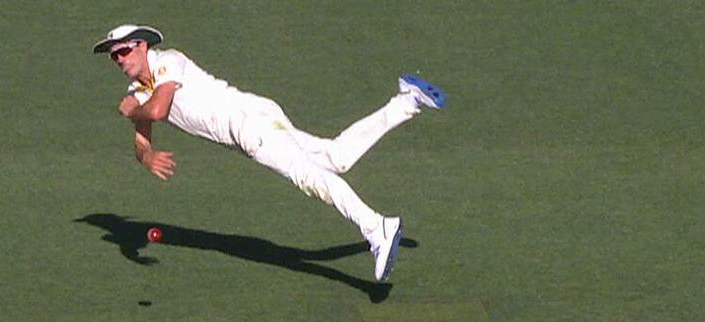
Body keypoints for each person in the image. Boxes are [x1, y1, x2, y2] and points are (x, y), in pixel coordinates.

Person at [92, 23, 445, 283]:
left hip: (249, 124)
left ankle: (377, 228)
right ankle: (407, 100)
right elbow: (142, 141)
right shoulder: (138, 91)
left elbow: (155, 111)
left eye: (123, 51)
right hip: (256, 119)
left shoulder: (166, 61)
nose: (119, 60)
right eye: (113, 56)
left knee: (311, 178)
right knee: (336, 157)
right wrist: (147, 156)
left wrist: (130, 112)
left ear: (141, 46)